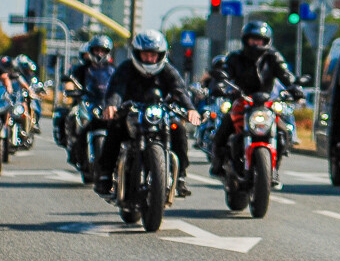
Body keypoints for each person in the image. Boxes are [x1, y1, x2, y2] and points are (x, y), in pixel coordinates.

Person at [93, 30, 200, 197]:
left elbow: (179, 90)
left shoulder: (167, 70)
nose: (149, 58)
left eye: (153, 55)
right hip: (131, 112)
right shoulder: (126, 68)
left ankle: (180, 177)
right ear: (137, 53)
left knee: (178, 128)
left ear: (160, 55)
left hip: (158, 114)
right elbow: (116, 89)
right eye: (145, 54)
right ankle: (105, 175)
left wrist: (190, 108)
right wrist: (112, 105)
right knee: (115, 127)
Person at [208, 21, 303, 185]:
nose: (256, 43)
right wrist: (220, 85)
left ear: (266, 41)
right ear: (246, 40)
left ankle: (274, 169)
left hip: (266, 104)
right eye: (252, 39)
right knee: (222, 131)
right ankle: (218, 164)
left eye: (259, 40)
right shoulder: (235, 58)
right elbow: (225, 72)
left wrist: (294, 87)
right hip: (241, 102)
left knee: (283, 133)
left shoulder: (273, 57)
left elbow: (285, 74)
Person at [64, 36, 116, 167]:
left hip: (106, 104)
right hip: (87, 102)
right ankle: (73, 147)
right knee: (73, 118)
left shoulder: (113, 70)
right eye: (96, 50)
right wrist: (71, 90)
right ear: (91, 51)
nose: (99, 53)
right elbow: (71, 81)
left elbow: (120, 86)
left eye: (102, 50)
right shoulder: (82, 69)